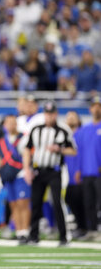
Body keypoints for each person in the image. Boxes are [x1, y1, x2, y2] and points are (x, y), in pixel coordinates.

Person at [23, 100, 77, 246]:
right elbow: (27, 149)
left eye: (51, 114)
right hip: (38, 170)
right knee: (36, 203)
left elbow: (73, 150)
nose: (49, 117)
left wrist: (59, 149)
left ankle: (64, 237)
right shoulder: (36, 129)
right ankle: (33, 236)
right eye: (47, 114)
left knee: (57, 202)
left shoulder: (63, 130)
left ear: (56, 114)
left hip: (55, 171)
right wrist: (27, 169)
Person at [0, 114, 31, 244]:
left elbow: (27, 154)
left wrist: (27, 170)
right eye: (8, 122)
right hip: (7, 175)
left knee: (23, 203)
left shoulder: (23, 138)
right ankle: (19, 232)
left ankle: (25, 231)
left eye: (13, 122)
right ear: (5, 125)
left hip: (20, 174)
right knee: (13, 204)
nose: (11, 125)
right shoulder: (3, 140)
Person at [74, 96, 101, 241]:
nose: (96, 109)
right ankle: (92, 230)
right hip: (87, 171)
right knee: (89, 202)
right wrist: (78, 169)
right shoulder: (84, 129)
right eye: (94, 106)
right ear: (90, 109)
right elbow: (79, 151)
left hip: (99, 172)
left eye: (99, 106)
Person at [63, 111, 87, 240]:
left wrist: (80, 169)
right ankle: (80, 225)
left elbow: (82, 153)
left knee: (81, 200)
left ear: (78, 120)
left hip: (79, 173)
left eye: (73, 117)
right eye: (68, 117)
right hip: (67, 174)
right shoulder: (64, 134)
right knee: (69, 198)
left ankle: (83, 226)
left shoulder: (82, 133)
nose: (70, 119)